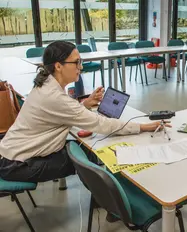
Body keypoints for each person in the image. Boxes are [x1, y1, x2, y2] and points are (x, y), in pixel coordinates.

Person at [0, 41, 169, 183]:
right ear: (58, 66)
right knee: (92, 158)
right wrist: (143, 127)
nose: (80, 67)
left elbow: (63, 112)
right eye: (76, 62)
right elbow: (100, 124)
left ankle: (106, 200)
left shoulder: (46, 84)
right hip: (18, 164)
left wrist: (85, 104)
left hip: (12, 154)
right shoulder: (54, 96)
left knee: (86, 149)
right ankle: (112, 204)